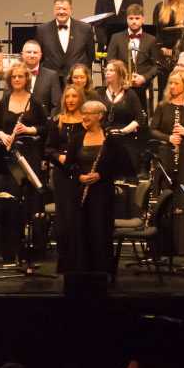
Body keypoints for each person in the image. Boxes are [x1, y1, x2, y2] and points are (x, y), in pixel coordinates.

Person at [0, 62, 48, 262]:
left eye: (20, 77)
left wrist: (30, 129)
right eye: (14, 77)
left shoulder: (35, 101)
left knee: (29, 202)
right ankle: (8, 250)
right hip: (9, 157)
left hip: (29, 155)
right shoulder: (4, 101)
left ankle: (30, 250)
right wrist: (2, 135)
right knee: (10, 201)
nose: (17, 80)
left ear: (26, 79)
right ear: (9, 79)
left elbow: (45, 127)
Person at [149, 70, 184, 254]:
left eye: (176, 83)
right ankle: (164, 243)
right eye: (170, 83)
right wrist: (168, 137)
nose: (172, 86)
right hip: (167, 155)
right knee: (167, 192)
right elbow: (153, 129)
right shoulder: (163, 106)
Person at [64, 99, 117, 272]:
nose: (85, 117)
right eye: (84, 113)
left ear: (99, 116)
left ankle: (101, 268)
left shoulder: (109, 138)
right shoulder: (77, 137)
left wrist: (101, 175)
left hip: (103, 191)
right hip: (80, 190)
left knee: (100, 228)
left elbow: (117, 166)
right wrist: (79, 176)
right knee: (81, 227)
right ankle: (81, 267)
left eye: (88, 114)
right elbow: (68, 164)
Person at [46, 84, 84, 272]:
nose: (70, 100)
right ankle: (64, 258)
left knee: (77, 214)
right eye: (67, 97)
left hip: (79, 173)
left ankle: (79, 257)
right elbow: (48, 148)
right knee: (63, 215)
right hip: (61, 173)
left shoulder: (86, 121)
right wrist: (58, 156)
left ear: (80, 99)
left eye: (74, 96)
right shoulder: (57, 121)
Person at [101, 59, 144, 179]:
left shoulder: (130, 94)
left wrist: (124, 131)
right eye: (106, 70)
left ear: (120, 74)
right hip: (104, 138)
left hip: (124, 139)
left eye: (111, 70)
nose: (107, 73)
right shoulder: (99, 92)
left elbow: (139, 118)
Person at [35, 0, 95, 79]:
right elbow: (39, 56)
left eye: (64, 9)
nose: (61, 12)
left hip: (76, 79)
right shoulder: (42, 29)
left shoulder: (84, 28)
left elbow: (91, 55)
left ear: (71, 9)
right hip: (51, 79)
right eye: (58, 9)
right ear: (54, 9)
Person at [104, 5, 160, 95]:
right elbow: (110, 61)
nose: (134, 21)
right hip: (121, 86)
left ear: (143, 19)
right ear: (127, 19)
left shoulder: (151, 40)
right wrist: (121, 78)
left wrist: (144, 78)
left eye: (137, 18)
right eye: (131, 18)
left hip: (144, 87)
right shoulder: (116, 38)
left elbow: (157, 65)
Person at [152, 0, 184, 74]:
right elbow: (156, 30)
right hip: (164, 51)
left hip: (181, 51)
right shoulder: (159, 7)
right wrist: (162, 48)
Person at [17, 40, 62, 118]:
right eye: (28, 52)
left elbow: (57, 105)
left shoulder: (51, 75)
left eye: (35, 52)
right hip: (18, 122)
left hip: (43, 124)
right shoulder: (14, 74)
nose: (32, 55)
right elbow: (7, 99)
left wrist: (51, 123)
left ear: (40, 55)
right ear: (22, 54)